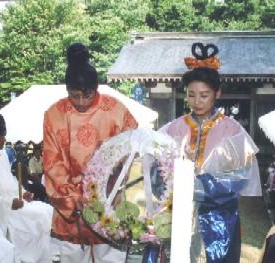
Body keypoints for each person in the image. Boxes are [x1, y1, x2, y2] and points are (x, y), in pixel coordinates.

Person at [161, 43, 262, 263]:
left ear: (217, 93)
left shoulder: (233, 130)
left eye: (204, 95)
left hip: (220, 213)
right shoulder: (173, 128)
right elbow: (156, 166)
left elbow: (246, 176)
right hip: (179, 213)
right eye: (191, 95)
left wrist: (208, 184)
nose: (197, 102)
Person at [43, 43, 138, 263]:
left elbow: (134, 150)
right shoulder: (54, 114)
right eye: (74, 96)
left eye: (87, 96)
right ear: (67, 91)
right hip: (72, 205)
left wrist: (111, 191)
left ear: (97, 89)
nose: (81, 102)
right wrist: (73, 198)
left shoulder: (115, 109)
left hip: (110, 199)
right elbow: (52, 163)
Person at [0, 113, 53, 263]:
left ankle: (41, 257)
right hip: (4, 212)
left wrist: (24, 193)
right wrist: (9, 203)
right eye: (1, 136)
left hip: (17, 203)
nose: (5, 140)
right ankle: (29, 258)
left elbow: (10, 181)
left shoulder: (3, 155)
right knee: (40, 217)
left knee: (47, 210)